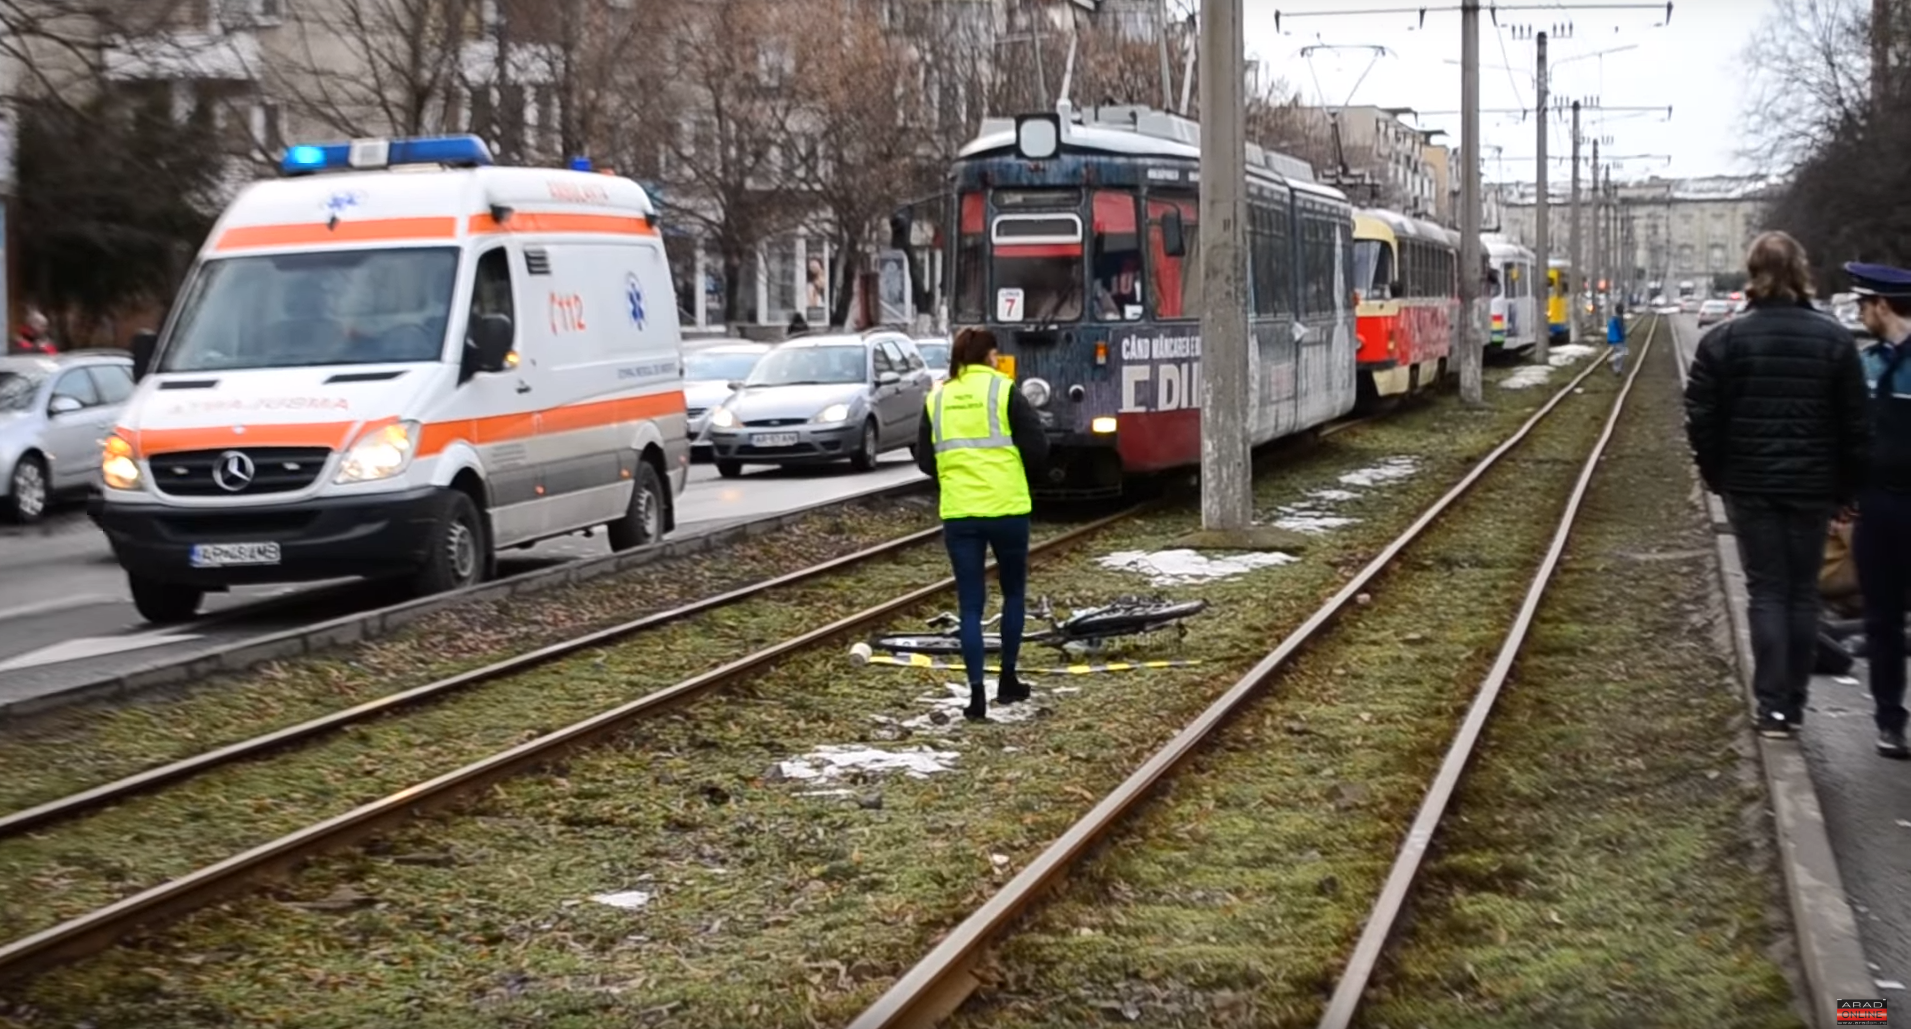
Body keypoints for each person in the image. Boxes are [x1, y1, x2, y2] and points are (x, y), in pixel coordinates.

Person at [1684, 232, 1871, 739]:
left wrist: (1717, 473)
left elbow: (1701, 417)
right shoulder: (1833, 339)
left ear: (1751, 271)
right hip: (1813, 489)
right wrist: (1847, 490)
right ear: (1801, 270)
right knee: (1802, 594)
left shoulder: (1724, 340)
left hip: (1750, 486)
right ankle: (1795, 700)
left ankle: (1772, 711)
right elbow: (1856, 424)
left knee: (1766, 590)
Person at [913, 327, 1049, 721]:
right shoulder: (1004, 391)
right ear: (990, 355)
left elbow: (925, 459)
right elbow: (1038, 449)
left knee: (970, 606)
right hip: (1006, 508)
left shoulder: (936, 397)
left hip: (961, 513)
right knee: (1013, 594)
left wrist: (955, 477)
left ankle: (975, 698)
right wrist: (1013, 473)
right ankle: (1008, 680)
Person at [1844, 261, 1911, 757]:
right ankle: (1889, 719)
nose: (1859, 313)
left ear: (1882, 306)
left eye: (1863, 305)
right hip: (1877, 508)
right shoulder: (1865, 365)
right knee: (1881, 618)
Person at [1606, 302, 1628, 374]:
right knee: (1623, 352)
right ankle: (1612, 362)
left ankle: (1616, 369)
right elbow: (1621, 329)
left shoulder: (1612, 318)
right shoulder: (1620, 319)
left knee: (1618, 352)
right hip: (1618, 339)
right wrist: (1623, 335)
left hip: (1612, 339)